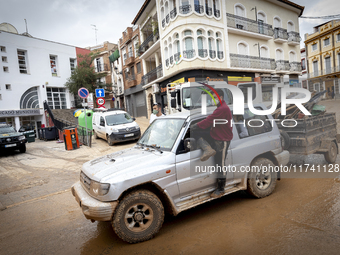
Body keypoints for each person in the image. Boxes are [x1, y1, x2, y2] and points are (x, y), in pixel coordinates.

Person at [191, 89, 233, 198]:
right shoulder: (220, 108)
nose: (213, 100)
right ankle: (208, 149)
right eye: (212, 98)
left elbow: (209, 120)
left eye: (215, 98)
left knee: (220, 165)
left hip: (222, 140)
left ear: (221, 97)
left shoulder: (222, 109)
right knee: (194, 133)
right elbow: (211, 120)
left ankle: (221, 188)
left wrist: (196, 125)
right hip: (215, 136)